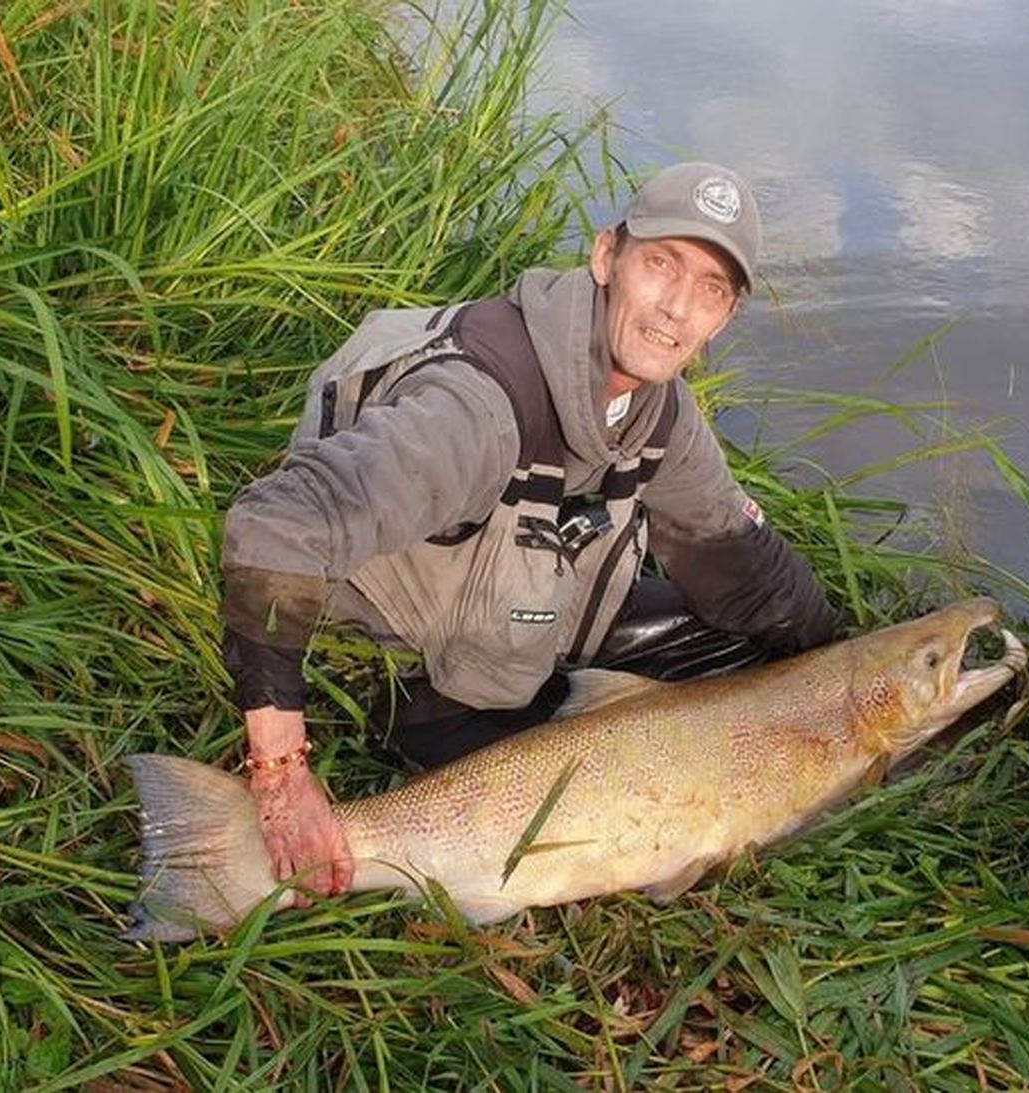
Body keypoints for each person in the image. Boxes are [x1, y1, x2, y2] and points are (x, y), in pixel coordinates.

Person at [220, 162, 841, 900]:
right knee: (615, 796)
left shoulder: (660, 412)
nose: (676, 307)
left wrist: (850, 663)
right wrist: (281, 774)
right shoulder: (480, 406)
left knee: (744, 647)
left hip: (527, 614)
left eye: (710, 289)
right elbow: (276, 528)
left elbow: (743, 566)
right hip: (417, 661)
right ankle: (251, 849)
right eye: (661, 264)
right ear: (606, 256)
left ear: (725, 318)